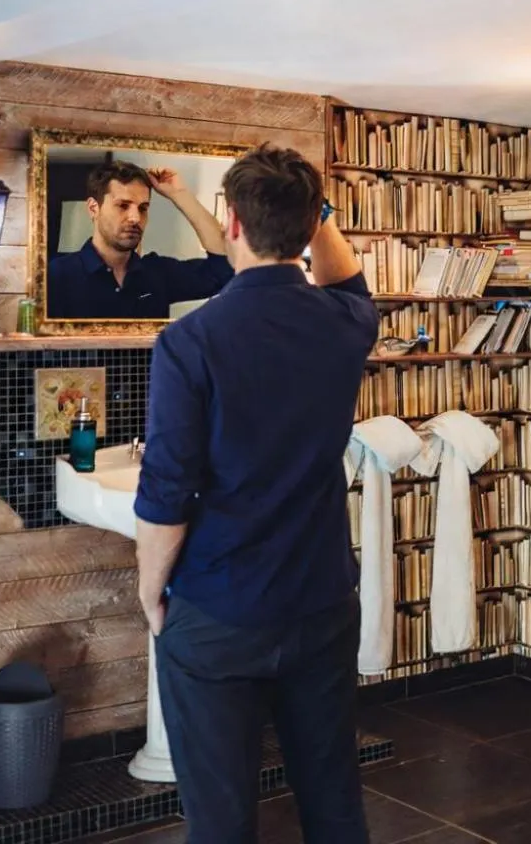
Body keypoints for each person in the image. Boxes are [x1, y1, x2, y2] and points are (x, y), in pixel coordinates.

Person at [132, 144, 377, 843]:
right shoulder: (347, 324)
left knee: (222, 817)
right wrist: (313, 214)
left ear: (230, 223)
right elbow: (348, 280)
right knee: (333, 800)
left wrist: (152, 591)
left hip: (219, 611)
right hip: (323, 600)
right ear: (309, 225)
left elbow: (166, 489)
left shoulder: (190, 340)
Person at [47, 158, 234, 319]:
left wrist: (180, 194)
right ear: (93, 208)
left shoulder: (158, 273)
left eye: (143, 208)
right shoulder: (57, 275)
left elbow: (224, 268)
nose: (136, 218)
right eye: (123, 205)